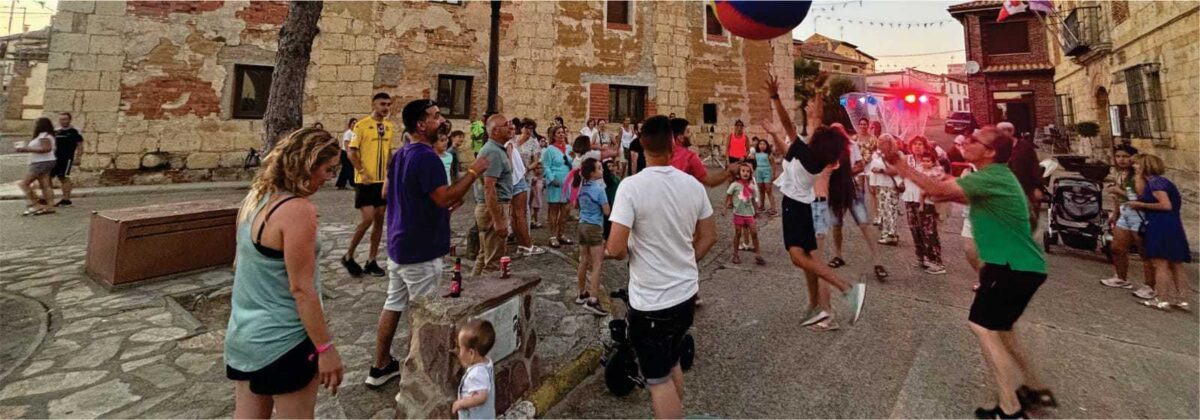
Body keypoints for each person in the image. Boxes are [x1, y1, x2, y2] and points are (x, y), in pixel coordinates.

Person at [881, 126, 1052, 419]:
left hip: (1009, 265)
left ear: (990, 152)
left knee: (983, 327)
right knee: (1004, 330)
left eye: (975, 141)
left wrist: (900, 164)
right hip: (1022, 266)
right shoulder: (991, 177)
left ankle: (1010, 409)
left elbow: (938, 191)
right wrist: (939, 188)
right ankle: (1036, 390)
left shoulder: (991, 175)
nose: (967, 142)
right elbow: (954, 194)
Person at [367, 99, 489, 387]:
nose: (442, 120)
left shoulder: (401, 154)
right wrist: (474, 172)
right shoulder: (426, 157)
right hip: (420, 250)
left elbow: (392, 193)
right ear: (422, 124)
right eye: (435, 116)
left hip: (400, 244)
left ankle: (380, 365)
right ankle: (417, 376)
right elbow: (444, 196)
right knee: (424, 314)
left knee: (393, 303)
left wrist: (437, 206)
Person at [225, 127, 344, 418]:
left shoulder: (256, 198)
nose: (328, 178)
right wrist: (325, 348)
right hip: (284, 339)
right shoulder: (298, 210)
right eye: (327, 170)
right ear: (307, 165)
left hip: (244, 334)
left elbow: (239, 264)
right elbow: (302, 288)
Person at [605, 115, 717, 419]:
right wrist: (686, 262)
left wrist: (606, 252)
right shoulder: (692, 186)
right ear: (673, 144)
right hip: (685, 294)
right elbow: (709, 236)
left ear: (642, 146)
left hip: (652, 301)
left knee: (658, 380)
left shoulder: (631, 187)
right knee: (673, 361)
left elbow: (615, 248)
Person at [762, 73, 866, 330]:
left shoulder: (804, 152)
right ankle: (817, 306)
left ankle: (846, 288)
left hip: (796, 206)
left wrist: (775, 97)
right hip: (805, 205)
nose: (812, 124)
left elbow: (790, 121)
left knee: (799, 257)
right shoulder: (814, 157)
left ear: (817, 141)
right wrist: (818, 92)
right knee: (808, 259)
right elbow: (814, 119)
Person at [1127, 154, 1192, 311]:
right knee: (1176, 263)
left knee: (1160, 263)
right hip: (1172, 224)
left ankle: (1162, 298)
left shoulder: (1155, 183)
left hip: (1160, 224)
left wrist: (1140, 204)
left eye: (1137, 164)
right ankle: (1182, 299)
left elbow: (1165, 205)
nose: (1134, 167)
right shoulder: (1162, 182)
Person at [342, 92, 395, 278]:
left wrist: (391, 172)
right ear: (374, 104)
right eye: (382, 104)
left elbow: (388, 152)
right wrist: (362, 171)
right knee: (367, 219)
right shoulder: (361, 125)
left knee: (380, 218)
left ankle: (371, 260)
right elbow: (351, 152)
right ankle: (349, 254)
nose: (386, 107)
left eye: (388, 104)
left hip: (382, 181)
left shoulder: (389, 127)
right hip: (365, 181)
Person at [826, 126, 888, 280]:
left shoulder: (851, 146)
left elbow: (860, 165)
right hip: (834, 190)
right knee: (837, 225)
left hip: (850, 188)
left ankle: (878, 261)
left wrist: (847, 173)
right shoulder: (827, 148)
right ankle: (838, 255)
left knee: (864, 224)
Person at [1100, 145, 1155, 295]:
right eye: (1118, 156)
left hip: (1139, 214)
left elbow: (1140, 197)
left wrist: (1118, 191)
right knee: (1117, 248)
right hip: (1124, 213)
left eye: (1125, 156)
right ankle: (1121, 277)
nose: (1121, 160)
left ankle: (1150, 286)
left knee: (1144, 252)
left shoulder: (1138, 175)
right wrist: (1115, 212)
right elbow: (1118, 197)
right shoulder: (1119, 174)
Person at [473, 114, 516, 277]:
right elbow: (489, 187)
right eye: (506, 125)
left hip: (493, 205)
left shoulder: (496, 150)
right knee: (492, 261)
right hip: (494, 206)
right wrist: (498, 220)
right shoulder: (493, 152)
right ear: (496, 131)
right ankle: (485, 298)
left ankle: (471, 291)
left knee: (484, 254)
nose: (510, 127)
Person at [901, 136, 946, 275]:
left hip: (926, 200)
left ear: (925, 146)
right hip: (910, 197)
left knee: (928, 230)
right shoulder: (907, 159)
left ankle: (935, 260)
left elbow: (939, 177)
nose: (917, 147)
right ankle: (921, 256)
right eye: (914, 144)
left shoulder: (930, 161)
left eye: (920, 144)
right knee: (915, 228)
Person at [572, 157, 610, 316]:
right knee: (597, 264)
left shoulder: (581, 187)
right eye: (599, 168)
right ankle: (593, 299)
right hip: (594, 227)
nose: (602, 170)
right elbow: (607, 211)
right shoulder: (599, 189)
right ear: (593, 173)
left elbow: (576, 205)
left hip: (582, 225)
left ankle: (581, 292)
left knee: (583, 260)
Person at [507, 119, 546, 258]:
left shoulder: (534, 143)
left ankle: (526, 235)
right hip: (512, 177)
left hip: (526, 176)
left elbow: (536, 160)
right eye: (526, 127)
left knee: (524, 207)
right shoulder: (514, 140)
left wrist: (527, 168)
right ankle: (512, 231)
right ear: (521, 128)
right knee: (511, 207)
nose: (528, 130)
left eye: (531, 128)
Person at [452, 319, 496, 420]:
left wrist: (460, 403)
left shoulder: (477, 373)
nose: (459, 350)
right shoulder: (486, 362)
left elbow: (481, 397)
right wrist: (461, 356)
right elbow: (471, 365)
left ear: (471, 353)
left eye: (460, 347)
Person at [15, 117, 58, 216]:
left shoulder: (44, 136)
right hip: (46, 161)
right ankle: (50, 206)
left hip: (40, 162)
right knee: (45, 185)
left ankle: (35, 204)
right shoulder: (48, 135)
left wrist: (27, 149)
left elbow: (46, 148)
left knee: (24, 184)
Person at [726, 163, 765, 265]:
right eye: (743, 171)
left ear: (750, 173)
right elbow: (728, 195)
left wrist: (756, 211)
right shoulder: (734, 185)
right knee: (738, 233)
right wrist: (727, 206)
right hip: (738, 213)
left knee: (754, 233)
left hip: (749, 213)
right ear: (739, 173)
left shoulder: (751, 186)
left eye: (748, 171)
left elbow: (753, 199)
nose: (745, 173)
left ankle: (758, 254)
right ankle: (735, 254)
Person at [867, 134, 901, 246]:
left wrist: (881, 170)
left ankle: (892, 234)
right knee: (883, 210)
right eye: (879, 141)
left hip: (891, 185)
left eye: (882, 141)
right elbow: (871, 168)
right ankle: (886, 233)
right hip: (881, 185)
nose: (880, 143)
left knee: (891, 210)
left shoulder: (895, 155)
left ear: (888, 143)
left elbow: (896, 170)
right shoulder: (878, 154)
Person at [542, 125, 572, 248]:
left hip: (567, 181)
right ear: (554, 135)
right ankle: (552, 235)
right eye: (558, 133)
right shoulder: (549, 150)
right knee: (554, 209)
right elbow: (546, 166)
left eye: (563, 132)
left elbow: (573, 163)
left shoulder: (569, 148)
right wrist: (551, 178)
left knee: (565, 210)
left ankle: (561, 233)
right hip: (555, 181)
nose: (561, 135)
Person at [51, 112, 82, 206]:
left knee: (64, 178)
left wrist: (78, 158)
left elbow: (80, 146)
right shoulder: (56, 132)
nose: (63, 121)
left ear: (69, 120)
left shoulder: (74, 132)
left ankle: (66, 199)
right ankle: (47, 197)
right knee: (49, 177)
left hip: (67, 159)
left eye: (65, 119)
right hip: (55, 158)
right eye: (61, 119)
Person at [751, 138, 776, 215]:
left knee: (769, 190)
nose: (762, 146)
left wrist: (773, 174)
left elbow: (773, 165)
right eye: (760, 144)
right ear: (758, 146)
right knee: (761, 190)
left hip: (767, 173)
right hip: (758, 173)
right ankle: (761, 206)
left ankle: (773, 208)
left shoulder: (769, 154)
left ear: (767, 146)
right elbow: (753, 164)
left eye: (764, 144)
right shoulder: (756, 155)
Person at [601, 158, 621, 239]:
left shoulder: (616, 177)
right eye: (609, 166)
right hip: (610, 201)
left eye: (613, 166)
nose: (612, 168)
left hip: (615, 201)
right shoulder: (607, 179)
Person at [336, 118, 358, 190]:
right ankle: (353, 184)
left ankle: (340, 184)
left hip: (351, 152)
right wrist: (348, 153)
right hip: (346, 152)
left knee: (344, 169)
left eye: (355, 123)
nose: (354, 124)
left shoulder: (355, 133)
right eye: (353, 123)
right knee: (349, 169)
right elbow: (346, 143)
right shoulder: (348, 133)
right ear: (350, 124)